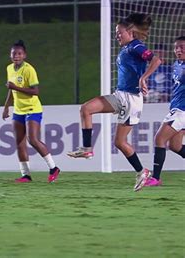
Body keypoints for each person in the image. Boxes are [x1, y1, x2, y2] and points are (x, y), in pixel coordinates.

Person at [67, 13, 162, 191]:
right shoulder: (126, 48)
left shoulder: (136, 46)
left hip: (132, 99)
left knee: (120, 142)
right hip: (120, 96)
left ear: (130, 31)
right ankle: (87, 148)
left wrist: (143, 78)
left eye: (119, 32)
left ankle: (142, 171)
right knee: (86, 109)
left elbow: (156, 59)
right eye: (116, 32)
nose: (117, 35)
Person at [2, 40, 61, 183]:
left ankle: (53, 168)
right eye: (14, 53)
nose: (16, 55)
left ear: (24, 55)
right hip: (18, 110)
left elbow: (35, 91)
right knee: (19, 142)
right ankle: (26, 175)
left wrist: (15, 87)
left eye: (19, 53)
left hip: (32, 109)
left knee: (32, 139)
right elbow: (11, 89)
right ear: (10, 55)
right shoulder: (9, 68)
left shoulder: (29, 70)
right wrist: (6, 107)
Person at [145, 36, 185, 187]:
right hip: (177, 108)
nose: (178, 50)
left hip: (182, 111)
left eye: (182, 47)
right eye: (176, 47)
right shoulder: (176, 64)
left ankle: (155, 178)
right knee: (175, 146)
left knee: (159, 139)